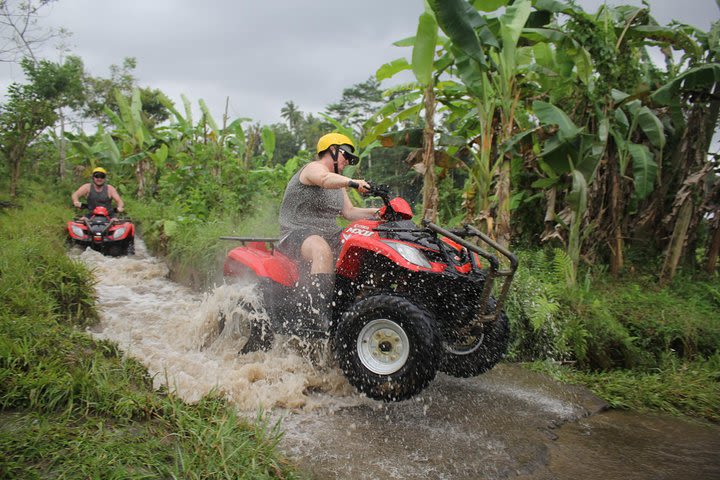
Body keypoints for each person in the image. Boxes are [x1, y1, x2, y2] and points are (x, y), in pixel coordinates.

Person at [278, 132, 378, 334]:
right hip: (297, 233)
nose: (348, 162)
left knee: (366, 250)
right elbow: (323, 179)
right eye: (346, 156)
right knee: (321, 250)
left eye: (350, 159)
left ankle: (356, 308)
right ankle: (315, 315)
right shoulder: (314, 169)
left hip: (330, 234)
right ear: (332, 150)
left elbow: (349, 213)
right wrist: (353, 182)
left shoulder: (338, 185)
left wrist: (380, 213)